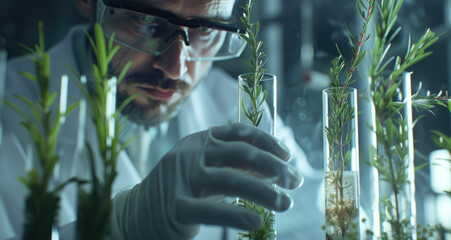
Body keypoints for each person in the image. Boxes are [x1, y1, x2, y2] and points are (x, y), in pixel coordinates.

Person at [0, 0, 323, 239]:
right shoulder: (7, 108)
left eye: (205, 30)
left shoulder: (231, 102)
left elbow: (314, 219)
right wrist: (120, 228)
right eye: (144, 20)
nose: (174, 67)